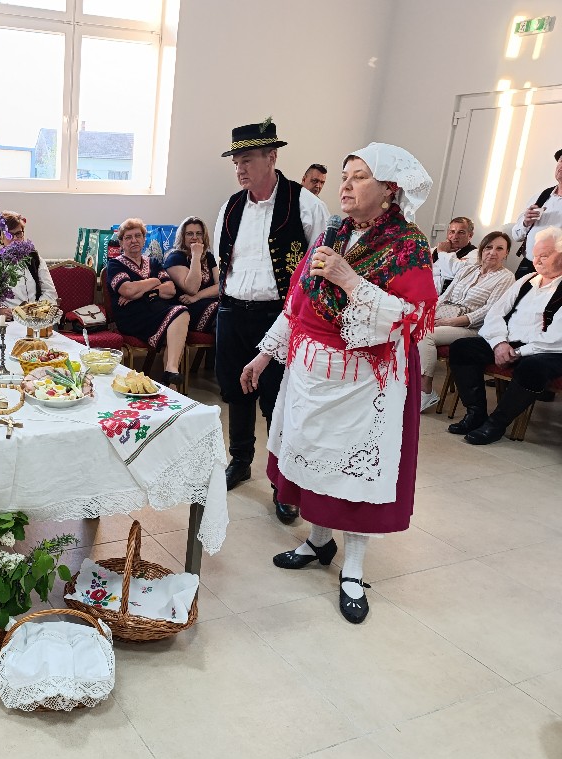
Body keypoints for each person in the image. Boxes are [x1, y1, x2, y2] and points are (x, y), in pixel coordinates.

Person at [241, 143, 436, 624]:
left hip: (365, 384)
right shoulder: (333, 233)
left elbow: (411, 319)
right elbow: (298, 302)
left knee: (352, 474)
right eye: (345, 176)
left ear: (388, 190)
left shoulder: (407, 245)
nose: (345, 185)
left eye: (359, 177)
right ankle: (318, 542)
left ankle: (353, 569)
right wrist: (265, 354)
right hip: (310, 373)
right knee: (314, 458)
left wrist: (350, 280)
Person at [213, 119, 327, 525]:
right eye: (236, 163)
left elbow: (318, 271)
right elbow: (223, 261)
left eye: (247, 160)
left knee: (278, 398)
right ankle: (240, 460)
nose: (240, 169)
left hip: (278, 315)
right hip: (232, 312)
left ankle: (282, 483)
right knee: (235, 391)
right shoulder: (230, 206)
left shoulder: (306, 205)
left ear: (271, 157)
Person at [447, 226, 562, 445]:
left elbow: (557, 338)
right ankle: (475, 413)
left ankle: (496, 424)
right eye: (535, 255)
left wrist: (518, 352)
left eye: (544, 256)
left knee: (532, 367)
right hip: (509, 342)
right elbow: (495, 314)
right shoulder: (527, 279)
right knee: (462, 348)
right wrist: (499, 343)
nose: (536, 261)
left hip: (547, 350)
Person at [417, 231, 515, 411]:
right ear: (482, 249)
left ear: (506, 253)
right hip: (445, 317)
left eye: (499, 248)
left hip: (473, 327)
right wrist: (427, 315)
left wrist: (450, 322)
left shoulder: (506, 277)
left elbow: (489, 311)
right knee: (408, 327)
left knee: (425, 335)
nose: (492, 252)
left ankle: (425, 391)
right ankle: (407, 384)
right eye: (488, 247)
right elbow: (445, 296)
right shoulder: (469, 269)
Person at [106, 218, 189, 386]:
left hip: (156, 313)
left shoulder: (154, 262)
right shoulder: (115, 265)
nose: (134, 240)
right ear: (121, 243)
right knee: (178, 315)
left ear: (144, 239)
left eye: (138, 236)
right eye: (128, 237)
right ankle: (171, 375)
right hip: (132, 318)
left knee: (180, 315)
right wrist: (154, 281)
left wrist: (142, 292)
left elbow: (171, 290)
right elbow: (128, 290)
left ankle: (171, 376)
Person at [512, 148, 562, 279]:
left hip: (556, 273)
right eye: (561, 161)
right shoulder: (541, 196)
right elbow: (516, 235)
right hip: (527, 266)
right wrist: (525, 223)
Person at [164, 216, 219, 332]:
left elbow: (221, 286)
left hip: (207, 302)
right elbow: (191, 289)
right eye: (189, 234)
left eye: (199, 233)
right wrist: (196, 255)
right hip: (187, 310)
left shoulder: (208, 257)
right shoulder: (175, 257)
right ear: (182, 237)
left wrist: (198, 296)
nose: (195, 237)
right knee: (221, 312)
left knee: (232, 310)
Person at [0, 210, 58, 308]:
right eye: (9, 234)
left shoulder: (35, 259)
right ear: (1, 237)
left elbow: (50, 292)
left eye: (18, 233)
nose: (15, 238)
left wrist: (34, 309)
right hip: (6, 316)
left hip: (34, 314)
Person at [431, 216, 477, 293]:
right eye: (452, 232)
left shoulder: (474, 254)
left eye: (461, 232)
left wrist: (442, 253)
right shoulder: (435, 250)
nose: (455, 237)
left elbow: (452, 272)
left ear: (470, 235)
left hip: (445, 296)